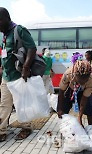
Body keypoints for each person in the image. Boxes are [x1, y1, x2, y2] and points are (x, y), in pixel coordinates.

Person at [0, 7, 36, 141]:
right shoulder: (3, 33)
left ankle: (26, 127)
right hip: (6, 76)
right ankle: (2, 130)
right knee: (4, 104)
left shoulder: (19, 30)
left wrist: (26, 67)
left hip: (18, 75)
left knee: (21, 103)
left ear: (4, 19)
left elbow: (32, 48)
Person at [57, 56, 92, 126]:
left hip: (82, 92)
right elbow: (61, 91)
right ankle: (65, 129)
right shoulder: (68, 74)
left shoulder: (91, 80)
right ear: (75, 75)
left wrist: (80, 117)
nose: (81, 83)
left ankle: (91, 130)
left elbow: (84, 99)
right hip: (69, 90)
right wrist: (60, 108)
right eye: (80, 80)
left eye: (84, 81)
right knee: (62, 111)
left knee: (91, 112)